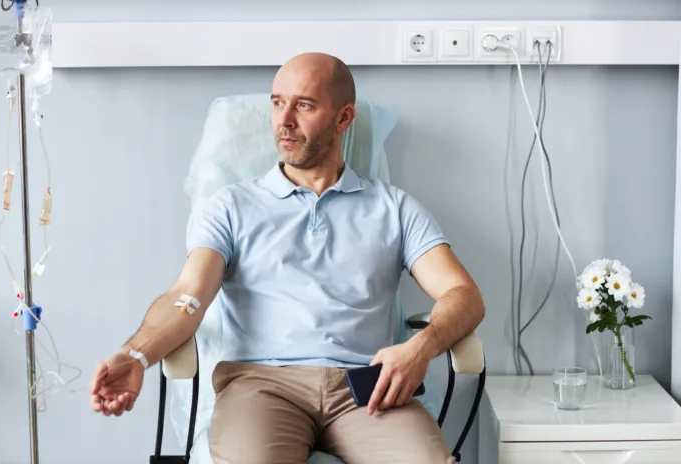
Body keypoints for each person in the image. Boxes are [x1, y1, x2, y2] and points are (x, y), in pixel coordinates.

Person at [90, 52, 485, 463]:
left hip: (365, 388)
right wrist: (136, 355)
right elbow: (187, 295)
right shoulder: (231, 207)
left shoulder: (394, 209)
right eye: (278, 102)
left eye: (304, 105)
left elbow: (463, 294)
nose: (285, 120)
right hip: (261, 387)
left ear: (343, 118)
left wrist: (419, 349)